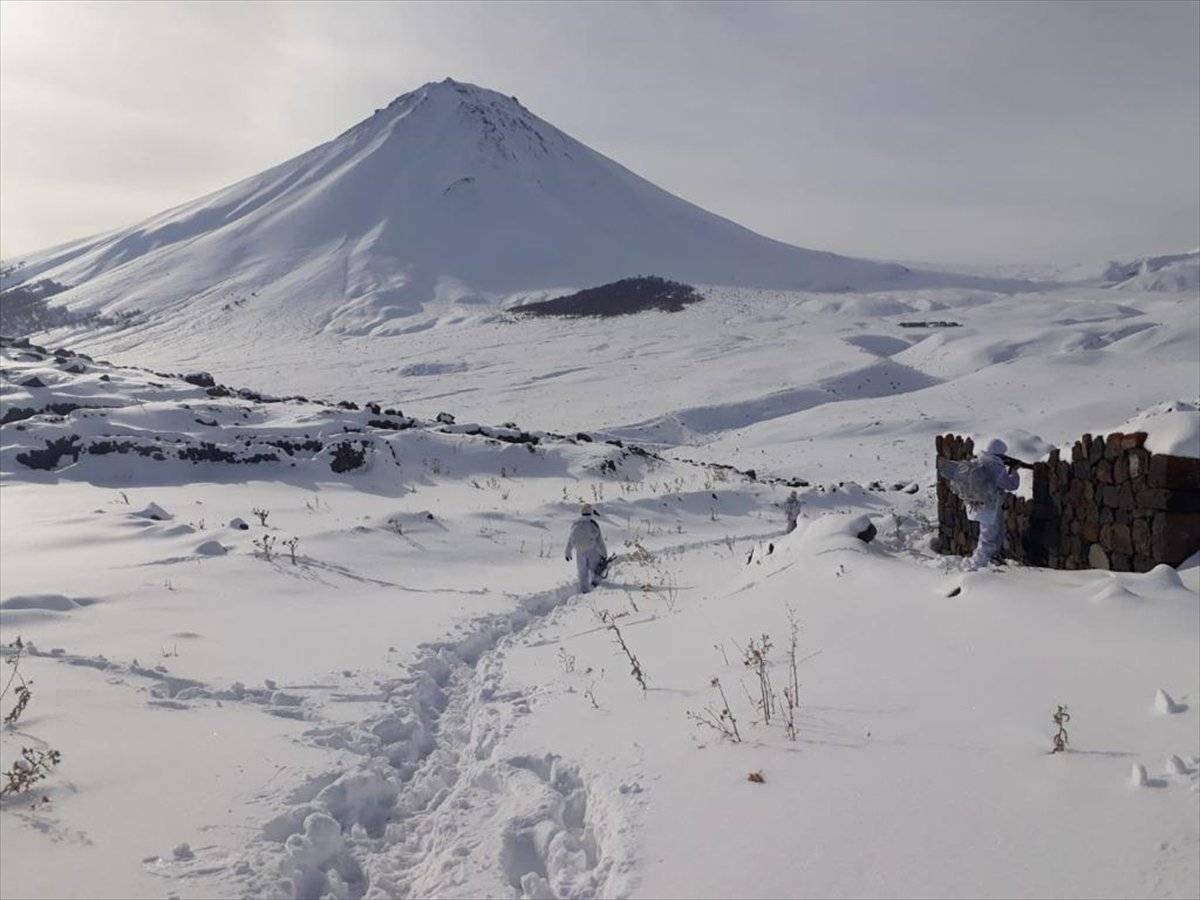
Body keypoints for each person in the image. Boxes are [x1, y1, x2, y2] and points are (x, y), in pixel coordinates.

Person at [966, 438, 1021, 569]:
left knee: (988, 534)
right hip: (989, 506)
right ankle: (978, 565)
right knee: (988, 537)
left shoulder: (980, 460)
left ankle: (987, 561)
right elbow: (1011, 485)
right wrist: (1014, 471)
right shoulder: (994, 465)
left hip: (978, 503)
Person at [565, 503, 607, 593]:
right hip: (592, 551)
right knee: (595, 569)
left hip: (579, 552)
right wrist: (604, 554)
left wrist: (568, 552)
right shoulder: (593, 524)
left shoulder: (576, 524)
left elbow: (571, 539)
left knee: (582, 571)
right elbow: (600, 541)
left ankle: (584, 589)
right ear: (591, 512)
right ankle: (595, 585)